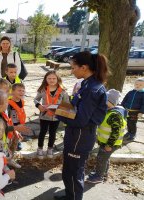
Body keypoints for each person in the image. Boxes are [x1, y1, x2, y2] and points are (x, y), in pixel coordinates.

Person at [54, 51, 109, 200]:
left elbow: (80, 120)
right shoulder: (86, 84)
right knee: (69, 169)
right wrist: (62, 106)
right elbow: (77, 107)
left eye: (73, 68)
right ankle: (70, 195)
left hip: (81, 135)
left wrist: (58, 113)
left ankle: (73, 198)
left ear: (84, 67)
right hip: (76, 134)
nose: (71, 71)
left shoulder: (92, 89)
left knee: (74, 171)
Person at [86, 89, 127, 184]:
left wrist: (109, 145)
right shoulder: (108, 111)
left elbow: (115, 133)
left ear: (111, 102)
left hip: (110, 144)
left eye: (105, 101)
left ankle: (98, 176)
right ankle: (103, 173)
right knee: (105, 158)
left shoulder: (115, 115)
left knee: (101, 159)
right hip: (105, 142)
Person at [34, 71, 69, 159]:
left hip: (56, 117)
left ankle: (50, 148)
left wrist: (61, 108)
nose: (51, 80)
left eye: (54, 78)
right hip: (44, 116)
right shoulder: (42, 89)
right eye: (49, 78)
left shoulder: (63, 91)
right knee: (42, 132)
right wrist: (38, 106)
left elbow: (67, 103)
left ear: (58, 79)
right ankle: (40, 148)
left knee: (53, 133)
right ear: (46, 79)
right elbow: (36, 99)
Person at [7, 83, 27, 152]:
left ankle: (17, 144)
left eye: (23, 91)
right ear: (12, 92)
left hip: (20, 122)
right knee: (11, 138)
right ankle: (9, 150)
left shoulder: (22, 101)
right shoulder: (9, 104)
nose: (21, 92)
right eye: (19, 90)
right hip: (12, 125)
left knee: (18, 136)